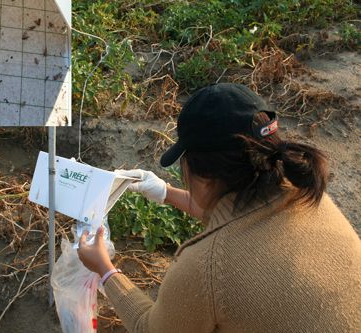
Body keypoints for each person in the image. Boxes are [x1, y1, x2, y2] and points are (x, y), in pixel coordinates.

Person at [77, 83, 361, 333]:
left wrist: (105, 269)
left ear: (202, 174)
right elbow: (243, 223)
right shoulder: (307, 194)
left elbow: (150, 329)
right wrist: (165, 192)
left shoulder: (206, 268)